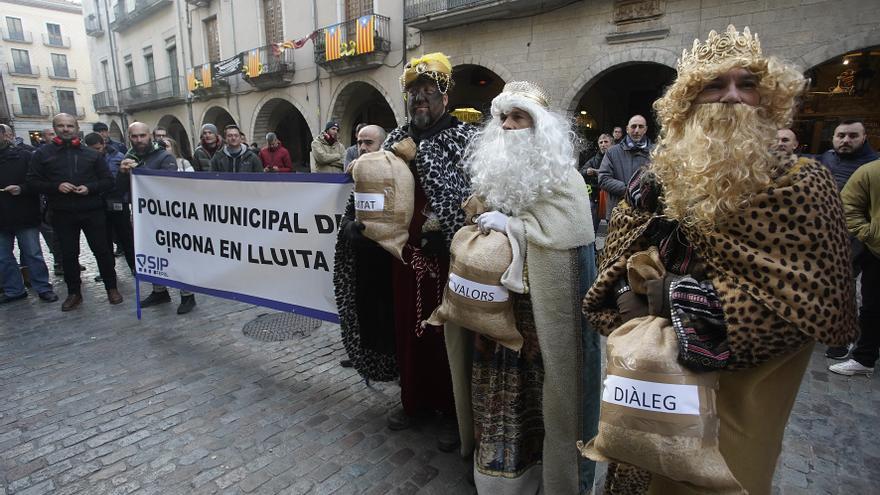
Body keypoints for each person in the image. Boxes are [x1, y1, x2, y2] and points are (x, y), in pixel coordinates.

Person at [583, 25, 858, 495]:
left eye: (746, 83)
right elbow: (616, 256)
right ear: (687, 102)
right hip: (652, 387)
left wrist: (671, 297)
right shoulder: (657, 180)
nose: (732, 96)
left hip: (737, 399)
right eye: (714, 84)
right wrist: (629, 290)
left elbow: (815, 306)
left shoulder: (801, 184)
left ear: (766, 97)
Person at [456, 81, 599, 494]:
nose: (508, 126)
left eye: (519, 117)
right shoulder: (495, 174)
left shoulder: (564, 180)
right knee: (497, 394)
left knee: (542, 399)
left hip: (539, 323)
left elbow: (567, 235)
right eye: (503, 117)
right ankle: (499, 478)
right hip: (494, 320)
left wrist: (515, 229)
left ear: (539, 127)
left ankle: (547, 477)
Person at [334, 53, 476, 450]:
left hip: (448, 258)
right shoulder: (395, 139)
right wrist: (359, 223)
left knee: (448, 337)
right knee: (406, 332)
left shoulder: (464, 140)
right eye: (414, 94)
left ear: (445, 97)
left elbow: (471, 197)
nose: (421, 101)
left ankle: (453, 413)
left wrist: (446, 230)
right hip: (402, 258)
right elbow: (373, 188)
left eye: (429, 93)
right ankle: (412, 401)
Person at [27, 113, 122, 311]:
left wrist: (90, 188)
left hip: (92, 210)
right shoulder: (43, 154)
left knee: (103, 251)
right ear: (55, 128)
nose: (66, 129)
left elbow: (107, 181)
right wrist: (56, 186)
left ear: (76, 128)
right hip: (62, 212)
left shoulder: (91, 154)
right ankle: (74, 293)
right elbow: (33, 182)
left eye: (70, 125)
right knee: (69, 255)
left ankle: (111, 288)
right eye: (61, 126)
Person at [817, 120, 879, 360]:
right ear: (833, 137)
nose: (846, 140)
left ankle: (841, 340)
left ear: (864, 137)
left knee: (844, 286)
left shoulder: (872, 164)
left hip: (852, 237)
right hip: (821, 233)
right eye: (841, 135)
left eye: (853, 135)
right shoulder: (828, 158)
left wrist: (865, 232)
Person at [829, 158, 880, 376]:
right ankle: (864, 358)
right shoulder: (871, 171)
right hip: (877, 253)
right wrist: (870, 234)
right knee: (872, 308)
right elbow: (848, 205)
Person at [0, 124, 58, 304]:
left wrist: (21, 189)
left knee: (32, 253)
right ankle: (14, 290)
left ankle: (42, 287)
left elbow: (37, 182)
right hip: (1, 219)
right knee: (3, 257)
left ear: (4, 136)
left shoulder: (24, 156)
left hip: (23, 214)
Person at [83, 132, 134, 277]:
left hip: (118, 202)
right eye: (93, 149)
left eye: (98, 148)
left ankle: (134, 267)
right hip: (98, 205)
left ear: (104, 144)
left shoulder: (118, 157)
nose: (96, 152)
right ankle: (108, 270)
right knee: (103, 241)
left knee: (126, 237)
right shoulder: (85, 160)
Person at [598, 114, 653, 218]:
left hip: (646, 215)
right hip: (618, 214)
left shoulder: (655, 153)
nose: (636, 130)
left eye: (640, 127)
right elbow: (603, 179)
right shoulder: (612, 152)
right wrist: (629, 190)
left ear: (645, 129)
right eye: (633, 126)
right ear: (627, 129)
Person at [580, 133, 612, 231]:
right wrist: (587, 171)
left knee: (612, 226)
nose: (603, 144)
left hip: (612, 196)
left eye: (606, 142)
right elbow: (581, 172)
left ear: (612, 143)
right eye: (601, 142)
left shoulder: (616, 158)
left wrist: (599, 173)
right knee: (592, 226)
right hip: (596, 196)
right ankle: (592, 245)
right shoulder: (594, 159)